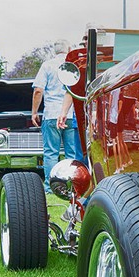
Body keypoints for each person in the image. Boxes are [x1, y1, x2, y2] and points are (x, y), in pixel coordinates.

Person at [32, 43, 84, 192]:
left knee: (50, 153)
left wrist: (34, 112)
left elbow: (38, 90)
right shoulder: (74, 66)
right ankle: (73, 186)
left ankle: (50, 187)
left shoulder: (47, 66)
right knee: (72, 153)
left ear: (54, 51)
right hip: (71, 114)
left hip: (51, 115)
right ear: (68, 50)